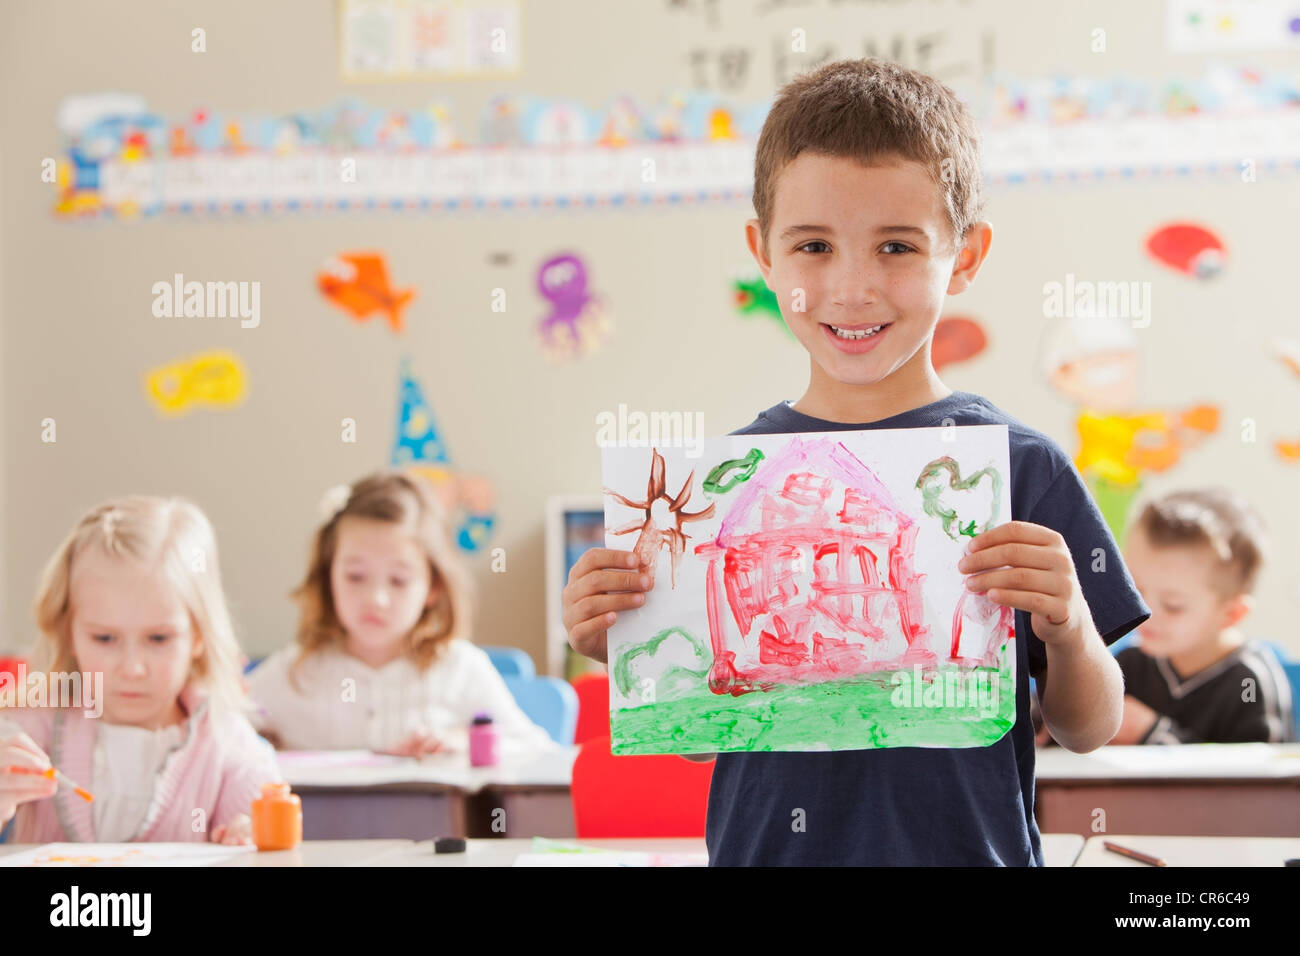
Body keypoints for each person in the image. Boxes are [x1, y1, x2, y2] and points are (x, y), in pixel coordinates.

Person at [562, 58, 1151, 865]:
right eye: (813, 245)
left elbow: (1090, 729)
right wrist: (626, 648)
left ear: (965, 256)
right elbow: (703, 739)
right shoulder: (723, 482)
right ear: (763, 254)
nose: (852, 287)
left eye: (897, 246)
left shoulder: (1023, 467)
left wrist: (1071, 627)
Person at [0, 495, 278, 843]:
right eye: (104, 638)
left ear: (198, 636)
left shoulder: (228, 746)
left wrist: (254, 836)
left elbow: (269, 834)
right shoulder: (27, 729)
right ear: (68, 633)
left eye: (158, 638)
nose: (132, 669)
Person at [247, 470, 556, 756]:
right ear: (329, 577)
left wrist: (464, 741)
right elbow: (226, 726)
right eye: (355, 576)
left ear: (433, 586)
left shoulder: (460, 669)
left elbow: (537, 750)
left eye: (399, 580)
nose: (376, 599)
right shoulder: (295, 672)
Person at [1112, 488, 1294, 744]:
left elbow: (1256, 767)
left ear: (1231, 614)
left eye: (1173, 606)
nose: (1143, 612)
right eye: (1135, 589)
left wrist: (1154, 734)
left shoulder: (1249, 682)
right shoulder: (1128, 663)